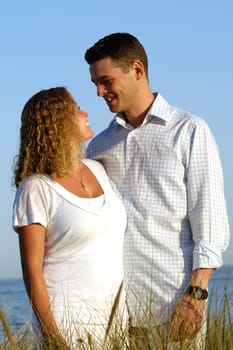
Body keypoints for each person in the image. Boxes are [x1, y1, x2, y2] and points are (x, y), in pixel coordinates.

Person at [84, 33, 230, 349]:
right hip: (117, 317)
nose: (99, 92)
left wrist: (196, 294)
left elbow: (211, 222)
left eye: (106, 81)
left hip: (176, 309)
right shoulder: (98, 147)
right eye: (95, 83)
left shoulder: (190, 131)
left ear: (137, 70)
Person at [12, 87, 128, 349]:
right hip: (68, 325)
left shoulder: (99, 170)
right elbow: (33, 272)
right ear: (58, 122)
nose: (85, 113)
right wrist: (53, 338)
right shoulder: (35, 188)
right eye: (76, 109)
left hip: (115, 321)